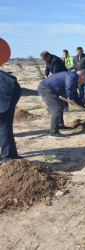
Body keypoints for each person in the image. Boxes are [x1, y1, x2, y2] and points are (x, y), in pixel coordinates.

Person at [38, 70, 85, 138]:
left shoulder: (74, 79)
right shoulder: (73, 76)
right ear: (83, 77)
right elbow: (69, 85)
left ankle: (60, 125)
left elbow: (76, 96)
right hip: (46, 88)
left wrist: (84, 108)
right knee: (56, 109)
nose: (84, 82)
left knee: (61, 106)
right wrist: (70, 98)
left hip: (52, 90)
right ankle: (54, 132)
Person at [0, 38, 21, 166]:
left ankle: (8, 158)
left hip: (6, 93)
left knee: (4, 127)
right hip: (8, 88)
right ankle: (10, 154)